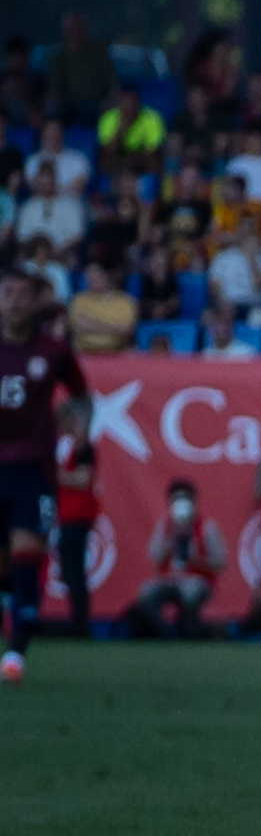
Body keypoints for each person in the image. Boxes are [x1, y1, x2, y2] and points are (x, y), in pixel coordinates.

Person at [0, 266, 92, 683]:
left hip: (33, 469)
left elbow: (82, 396)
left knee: (26, 557)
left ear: (35, 301)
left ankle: (15, 654)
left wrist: (80, 434)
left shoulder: (53, 351)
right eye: (7, 293)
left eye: (22, 294)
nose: (14, 302)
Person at [130, 481, 225, 639]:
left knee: (190, 592)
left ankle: (190, 631)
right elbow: (155, 558)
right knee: (146, 592)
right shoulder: (163, 526)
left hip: (196, 581)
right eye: (176, 499)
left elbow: (220, 563)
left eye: (185, 499)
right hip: (169, 579)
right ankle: (161, 632)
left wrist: (196, 560)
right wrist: (170, 543)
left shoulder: (207, 527)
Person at [48, 400, 99, 637]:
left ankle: (80, 623)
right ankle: (77, 620)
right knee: (69, 567)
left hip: (78, 514)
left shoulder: (83, 449)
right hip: (68, 514)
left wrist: (54, 475)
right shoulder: (68, 448)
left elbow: (83, 479)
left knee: (74, 568)